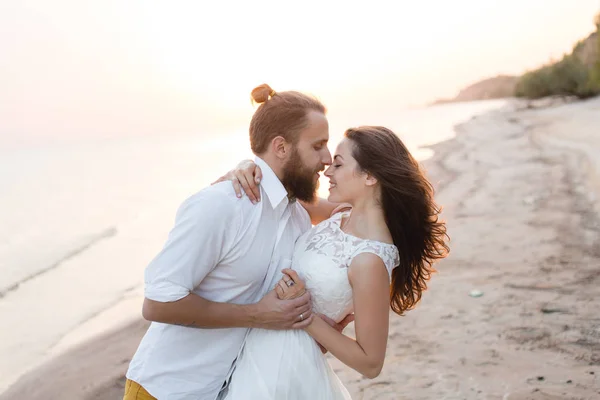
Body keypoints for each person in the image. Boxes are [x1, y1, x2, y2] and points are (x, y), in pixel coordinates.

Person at [123, 84, 352, 400]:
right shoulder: (221, 206)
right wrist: (259, 314)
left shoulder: (298, 215)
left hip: (234, 388)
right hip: (167, 389)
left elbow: (356, 213)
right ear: (281, 147)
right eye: (318, 146)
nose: (327, 159)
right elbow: (159, 302)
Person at [217, 125, 449, 399]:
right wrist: (246, 167)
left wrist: (305, 315)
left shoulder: (370, 260)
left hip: (286, 368)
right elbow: (279, 191)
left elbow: (370, 362)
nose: (327, 171)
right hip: (255, 348)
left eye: (338, 165)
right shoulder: (339, 215)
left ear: (370, 176)